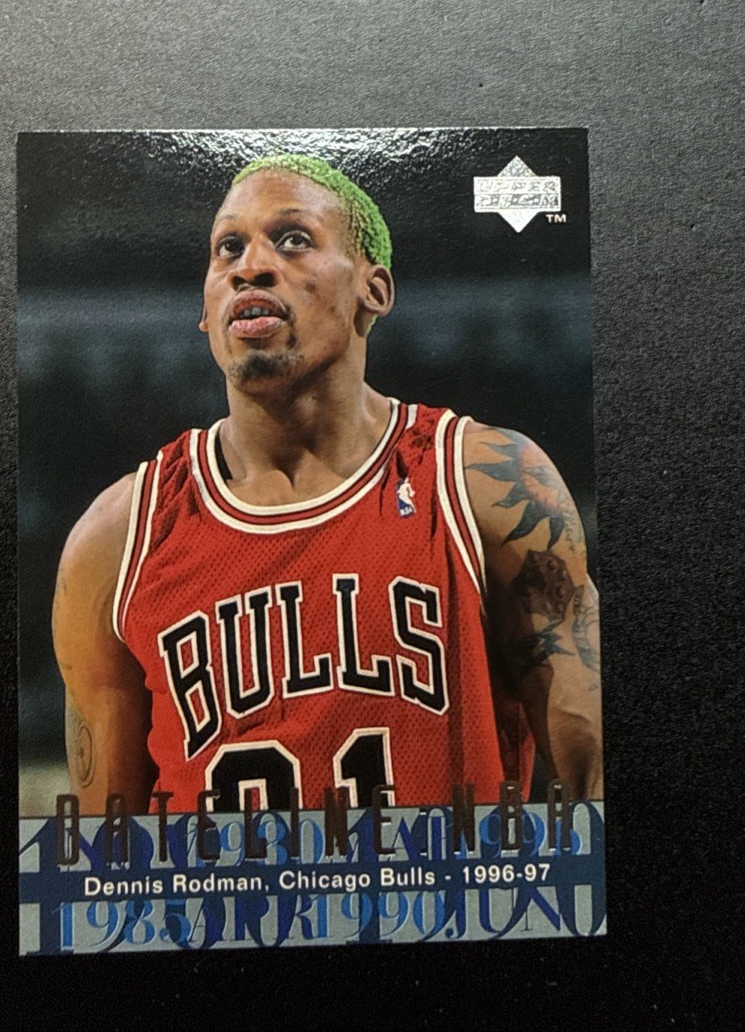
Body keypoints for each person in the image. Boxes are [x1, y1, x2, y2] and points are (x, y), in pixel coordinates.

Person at [52, 154, 602, 816]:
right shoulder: (117, 538)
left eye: (292, 239)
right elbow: (108, 848)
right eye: (228, 247)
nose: (250, 266)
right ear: (204, 308)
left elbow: (593, 777)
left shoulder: (485, 483)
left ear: (374, 290)